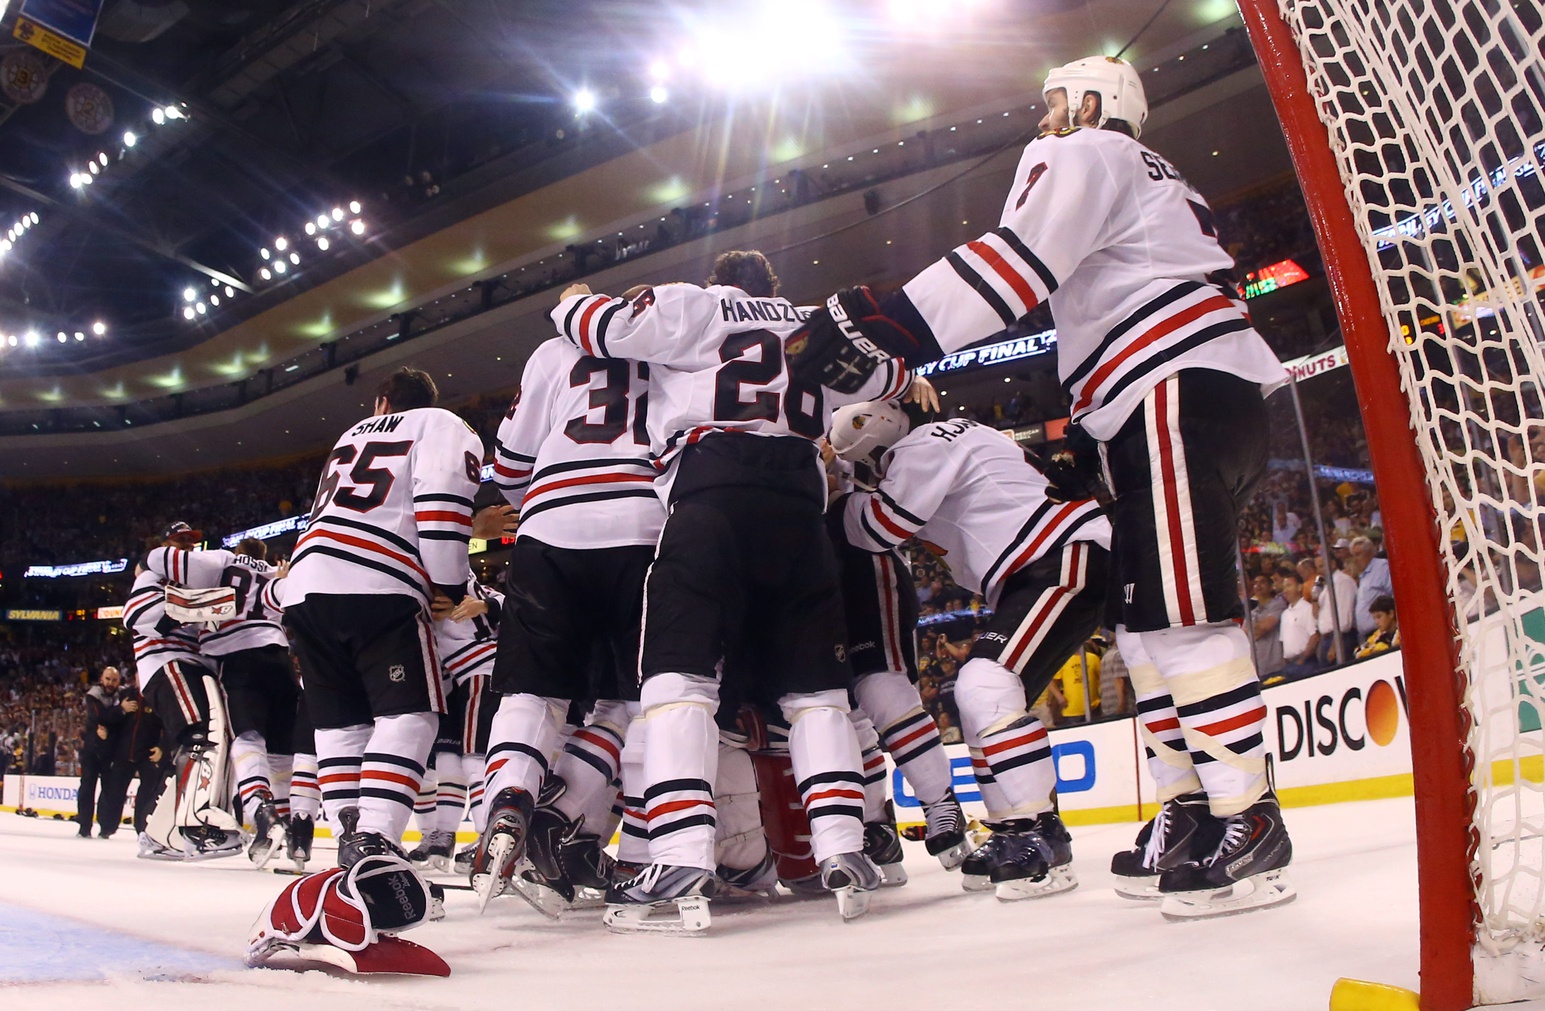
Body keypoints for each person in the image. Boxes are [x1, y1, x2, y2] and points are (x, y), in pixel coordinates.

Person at [789, 56, 1294, 917]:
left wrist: (884, 320)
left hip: (1168, 380)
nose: (1042, 117)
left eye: (1053, 100)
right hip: (1162, 389)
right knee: (1143, 630)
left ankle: (1249, 815)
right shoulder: (1140, 174)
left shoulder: (1086, 152)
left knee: (1177, 616)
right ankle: (1193, 803)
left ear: (1093, 103)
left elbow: (1016, 263)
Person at [548, 250, 917, 930]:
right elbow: (889, 374)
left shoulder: (695, 303)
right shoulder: (810, 322)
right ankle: (843, 843)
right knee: (815, 690)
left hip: (711, 492)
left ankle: (682, 850)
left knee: (676, 679)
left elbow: (595, 327)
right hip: (801, 510)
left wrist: (570, 297)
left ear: (720, 281)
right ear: (772, 286)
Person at [830, 400, 1110, 900]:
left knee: (985, 686)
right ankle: (1013, 830)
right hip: (1051, 558)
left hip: (1055, 556)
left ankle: (1037, 835)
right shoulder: (952, 436)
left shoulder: (920, 446)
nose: (875, 472)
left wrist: (835, 501)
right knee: (982, 697)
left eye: (872, 462)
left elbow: (879, 528)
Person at [278, 366, 480, 947]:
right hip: (377, 583)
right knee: (412, 717)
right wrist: (448, 584)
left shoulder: (350, 435)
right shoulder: (440, 424)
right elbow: (441, 505)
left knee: (341, 726)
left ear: (383, 400)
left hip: (306, 586)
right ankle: (376, 841)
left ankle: (350, 846)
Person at [473, 307, 663, 913]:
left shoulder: (552, 351)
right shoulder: (674, 339)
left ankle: (508, 801)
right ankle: (563, 813)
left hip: (550, 524)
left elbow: (505, 468)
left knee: (533, 693)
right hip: (644, 523)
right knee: (637, 700)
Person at [144, 535, 298, 867]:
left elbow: (158, 559)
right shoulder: (275, 573)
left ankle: (262, 812)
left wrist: (192, 586)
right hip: (282, 659)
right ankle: (294, 832)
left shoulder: (221, 561)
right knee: (282, 752)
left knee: (246, 737)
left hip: (237, 657)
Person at [124, 524, 243, 860]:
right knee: (200, 738)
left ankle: (159, 833)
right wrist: (206, 605)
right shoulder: (152, 575)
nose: (189, 546)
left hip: (193, 665)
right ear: (163, 545)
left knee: (204, 742)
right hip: (169, 661)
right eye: (180, 540)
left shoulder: (196, 578)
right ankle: (197, 830)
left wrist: (203, 605)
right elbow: (137, 616)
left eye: (192, 541)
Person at [77, 666, 131, 839]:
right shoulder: (93, 695)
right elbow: (99, 716)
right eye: (108, 679)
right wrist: (120, 710)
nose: (110, 683)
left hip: (112, 751)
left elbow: (118, 721)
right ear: (101, 679)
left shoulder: (123, 695)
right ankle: (84, 826)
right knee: (87, 788)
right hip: (92, 750)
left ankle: (106, 827)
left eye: (114, 680)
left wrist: (111, 720)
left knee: (109, 790)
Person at [1273, 568, 1321, 682]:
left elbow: (1314, 636)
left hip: (1306, 663)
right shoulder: (1285, 614)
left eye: (1289, 585)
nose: (1285, 590)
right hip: (1289, 665)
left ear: (1299, 587)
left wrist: (1303, 658)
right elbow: (1282, 641)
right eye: (1284, 586)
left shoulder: (1307, 608)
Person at [1350, 535, 1394, 639]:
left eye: (1358, 555)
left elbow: (1393, 594)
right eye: (1353, 556)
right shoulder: (1363, 575)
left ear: (1369, 553)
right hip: (1367, 635)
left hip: (1383, 631)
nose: (1355, 560)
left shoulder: (1381, 567)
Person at [1249, 573, 1286, 679]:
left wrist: (1255, 628)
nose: (1258, 585)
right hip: (1257, 669)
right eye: (1255, 583)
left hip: (1274, 666)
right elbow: (1243, 634)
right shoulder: (1252, 612)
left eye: (1262, 582)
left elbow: (1264, 628)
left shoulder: (1278, 604)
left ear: (1270, 586)